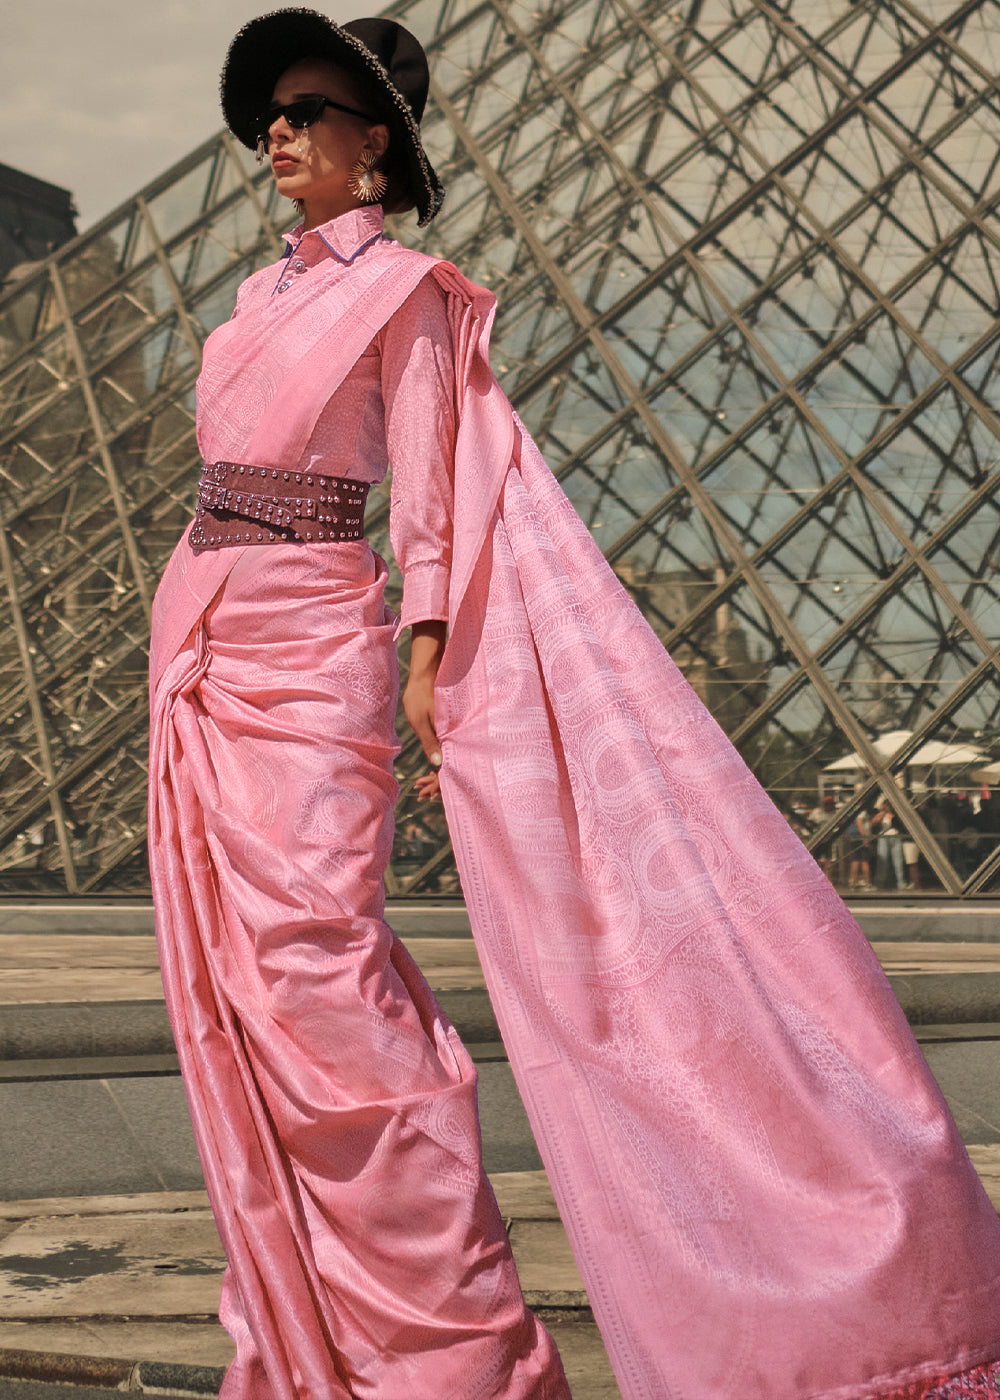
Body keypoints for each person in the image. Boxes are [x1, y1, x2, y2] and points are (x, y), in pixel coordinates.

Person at [147, 11, 1000, 1400]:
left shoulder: (409, 291)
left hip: (312, 634)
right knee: (242, 985)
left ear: (378, 144)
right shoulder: (253, 300)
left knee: (315, 963)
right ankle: (329, 1330)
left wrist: (427, 647)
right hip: (200, 630)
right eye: (269, 116)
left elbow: (432, 481)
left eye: (307, 110)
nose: (278, 133)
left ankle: (453, 1339)